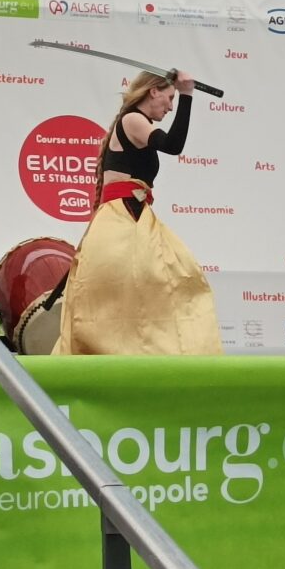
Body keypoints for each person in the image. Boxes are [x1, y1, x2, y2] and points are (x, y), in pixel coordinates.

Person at [53, 70, 222, 355]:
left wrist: (182, 93)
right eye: (169, 98)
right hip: (123, 219)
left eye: (175, 100)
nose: (170, 107)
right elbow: (173, 145)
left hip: (130, 216)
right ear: (153, 91)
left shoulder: (132, 122)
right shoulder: (133, 119)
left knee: (166, 280)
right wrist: (186, 95)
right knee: (169, 278)